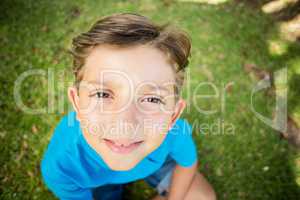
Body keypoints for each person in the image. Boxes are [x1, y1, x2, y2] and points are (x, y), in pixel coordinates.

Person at [41, 13, 216, 200]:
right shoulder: (62, 165)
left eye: (152, 99)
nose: (125, 123)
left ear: (173, 116)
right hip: (96, 181)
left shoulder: (174, 133)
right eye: (102, 94)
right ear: (77, 103)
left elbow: (187, 164)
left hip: (152, 160)